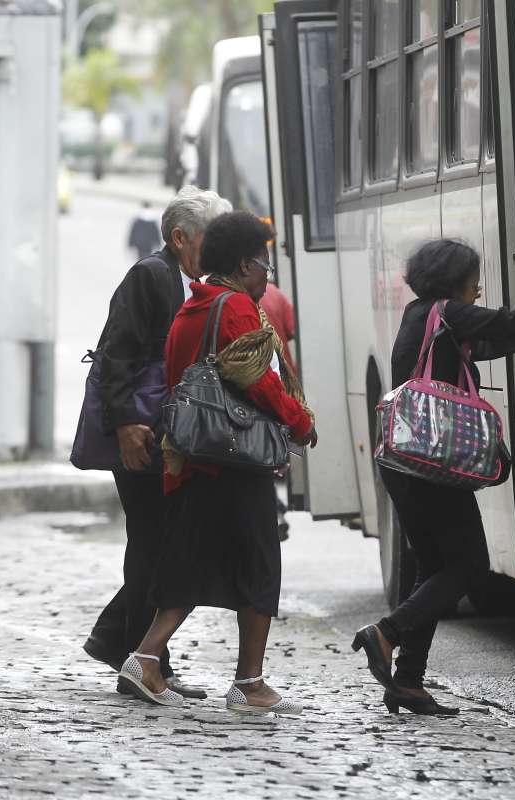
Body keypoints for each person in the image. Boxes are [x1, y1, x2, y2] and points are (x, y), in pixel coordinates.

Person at [117, 211, 319, 712]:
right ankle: (249, 683)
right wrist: (299, 421)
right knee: (259, 565)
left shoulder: (192, 309)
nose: (267, 276)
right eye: (266, 266)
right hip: (234, 460)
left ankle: (145, 657)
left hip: (193, 457)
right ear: (247, 264)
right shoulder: (236, 309)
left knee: (189, 562)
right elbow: (259, 381)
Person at [351, 239, 515, 715]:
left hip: (402, 464)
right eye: (475, 277)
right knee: (469, 565)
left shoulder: (420, 315)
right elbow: (510, 325)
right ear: (456, 280)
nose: (479, 287)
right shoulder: (449, 312)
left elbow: (491, 340)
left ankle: (408, 681)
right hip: (430, 465)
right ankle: (387, 632)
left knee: (433, 570)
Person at [82, 186, 232, 701]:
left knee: (163, 544)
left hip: (166, 432)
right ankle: (137, 658)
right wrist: (125, 424)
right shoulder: (151, 275)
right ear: (180, 237)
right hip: (143, 433)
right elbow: (116, 354)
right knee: (154, 544)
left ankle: (129, 648)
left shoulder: (190, 279)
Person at [259, 278, 297, 540]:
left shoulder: (226, 301)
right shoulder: (277, 295)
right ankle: (275, 509)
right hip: (280, 384)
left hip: (259, 391)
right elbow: (291, 331)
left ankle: (274, 509)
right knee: (272, 455)